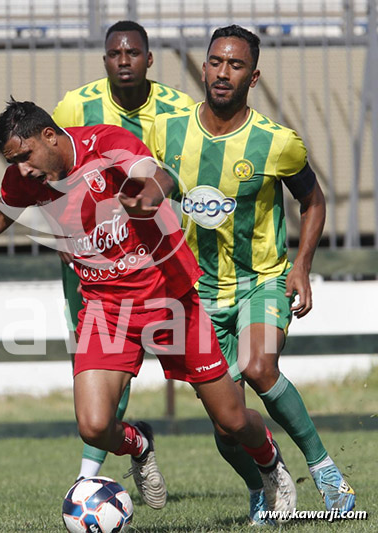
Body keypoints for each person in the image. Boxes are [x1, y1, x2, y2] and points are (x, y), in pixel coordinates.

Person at [0, 99, 297, 518]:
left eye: (25, 156)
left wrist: (151, 194)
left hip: (169, 298)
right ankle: (139, 444)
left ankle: (271, 464)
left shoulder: (106, 144)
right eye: (13, 162)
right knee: (94, 425)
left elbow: (158, 174)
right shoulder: (28, 177)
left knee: (232, 419)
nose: (23, 170)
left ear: (49, 136)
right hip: (107, 309)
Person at [147, 24, 355, 523]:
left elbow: (313, 200)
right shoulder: (167, 130)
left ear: (253, 76)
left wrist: (301, 266)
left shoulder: (276, 142)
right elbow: (156, 186)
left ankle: (325, 470)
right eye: (216, 61)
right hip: (197, 291)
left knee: (260, 366)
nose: (223, 72)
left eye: (235, 65)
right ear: (203, 68)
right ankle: (263, 483)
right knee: (227, 423)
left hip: (261, 280)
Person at [52, 19, 195, 490]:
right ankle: (89, 477)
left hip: (160, 260)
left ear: (148, 59)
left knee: (215, 383)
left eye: (133, 53)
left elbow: (184, 175)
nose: (124, 61)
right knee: (106, 366)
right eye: (115, 54)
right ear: (105, 59)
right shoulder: (76, 105)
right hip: (94, 260)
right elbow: (53, 171)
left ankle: (263, 464)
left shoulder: (179, 110)